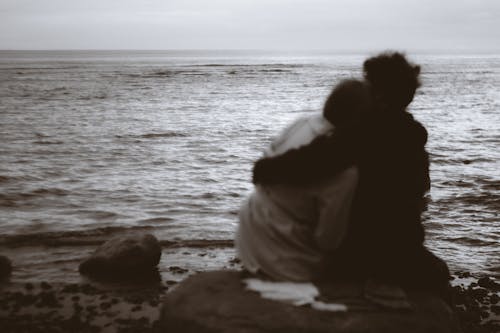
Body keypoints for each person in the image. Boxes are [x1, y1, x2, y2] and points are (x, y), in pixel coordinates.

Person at [253, 52, 451, 299]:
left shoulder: (363, 131)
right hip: (402, 243)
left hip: (360, 248)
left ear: (379, 94)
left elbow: (312, 160)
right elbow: (422, 187)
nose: (363, 87)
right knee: (436, 272)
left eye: (367, 83)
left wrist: (264, 169)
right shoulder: (413, 135)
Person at [236, 79, 372, 282]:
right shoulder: (344, 171)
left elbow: (266, 160)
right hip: (283, 260)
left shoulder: (302, 123)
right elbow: (327, 240)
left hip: (248, 234)